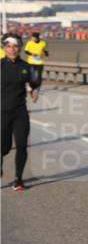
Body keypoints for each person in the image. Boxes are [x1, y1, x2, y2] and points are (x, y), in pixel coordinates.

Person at [2, 33, 40, 191]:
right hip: (2, 112)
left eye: (15, 46)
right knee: (4, 148)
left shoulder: (27, 66)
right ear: (4, 48)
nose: (12, 49)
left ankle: (18, 179)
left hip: (20, 112)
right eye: (9, 46)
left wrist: (34, 91)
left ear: (20, 48)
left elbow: (35, 82)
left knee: (22, 145)